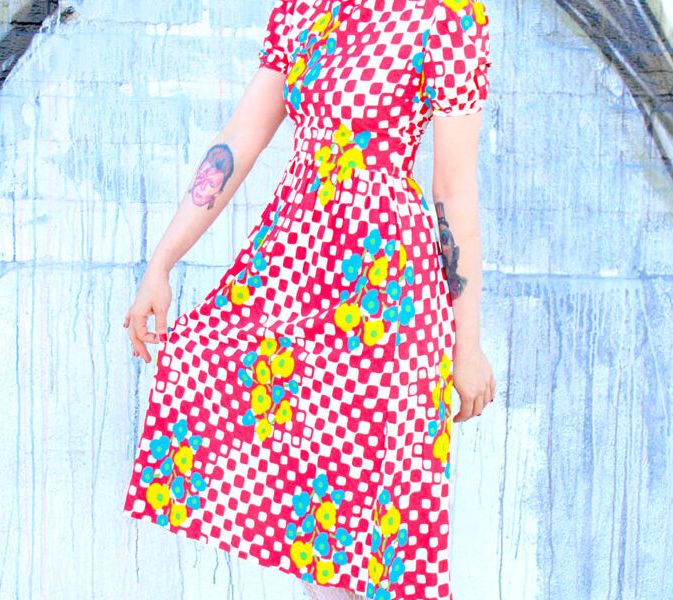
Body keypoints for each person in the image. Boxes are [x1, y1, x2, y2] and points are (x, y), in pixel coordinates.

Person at [122, 0, 496, 598]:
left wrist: (466, 343)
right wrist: (161, 263)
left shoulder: (446, 18)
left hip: (384, 295)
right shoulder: (303, 11)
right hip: (290, 274)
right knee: (310, 523)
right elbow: (237, 141)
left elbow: (454, 190)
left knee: (373, 528)